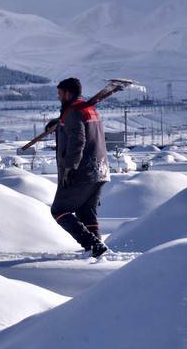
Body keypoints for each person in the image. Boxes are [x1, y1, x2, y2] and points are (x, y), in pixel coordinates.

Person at [50, 78, 110, 257]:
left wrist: (69, 168)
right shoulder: (89, 109)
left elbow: (78, 141)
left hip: (82, 171)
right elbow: (81, 131)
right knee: (85, 212)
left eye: (60, 94)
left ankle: (92, 245)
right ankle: (97, 251)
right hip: (100, 170)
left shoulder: (73, 112)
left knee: (59, 210)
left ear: (68, 93)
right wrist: (60, 126)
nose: (59, 97)